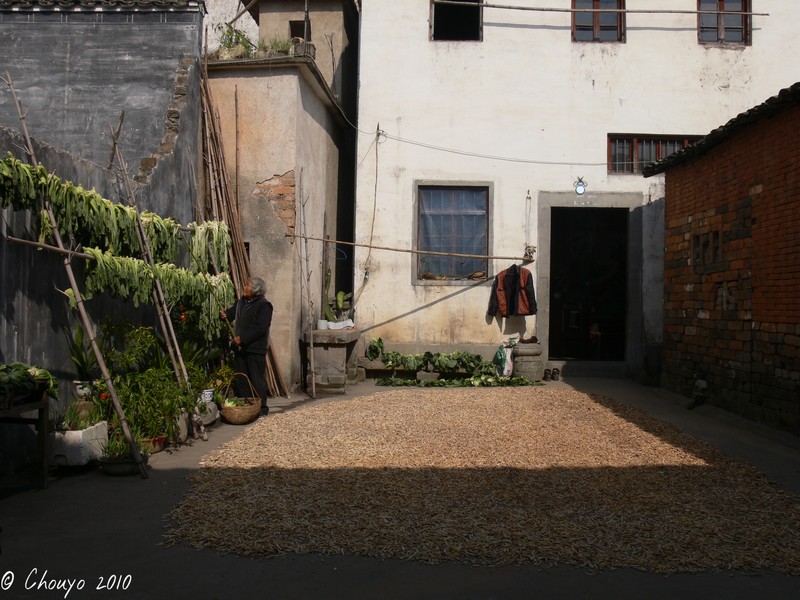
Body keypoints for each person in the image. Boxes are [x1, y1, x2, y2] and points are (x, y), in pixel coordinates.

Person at [220, 277, 273, 415]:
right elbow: (230, 314)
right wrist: (224, 314)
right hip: (240, 349)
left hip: (255, 349)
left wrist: (242, 339)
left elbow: (260, 328)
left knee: (256, 379)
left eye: (247, 285)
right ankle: (245, 407)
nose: (244, 287)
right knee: (241, 378)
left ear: (255, 290)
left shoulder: (264, 305)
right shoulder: (241, 302)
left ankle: (261, 408)